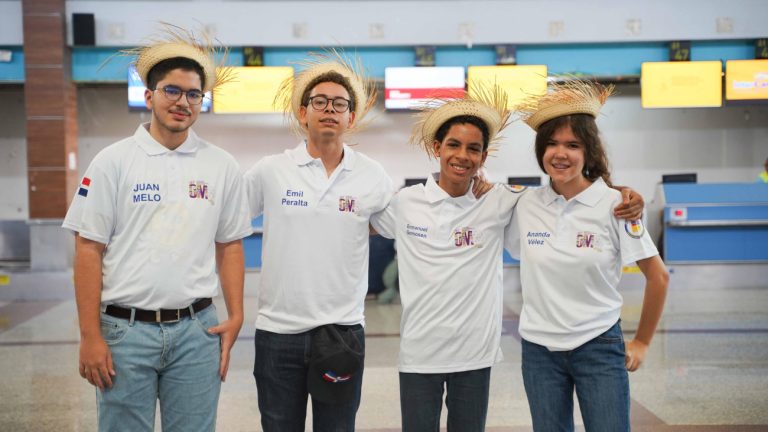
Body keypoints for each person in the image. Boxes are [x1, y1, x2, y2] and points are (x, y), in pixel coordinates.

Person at [370, 83, 646, 431]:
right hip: (418, 355)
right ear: (437, 148)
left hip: (475, 356)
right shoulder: (406, 202)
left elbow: (567, 193)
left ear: (484, 158)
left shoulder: (500, 200)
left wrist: (621, 193)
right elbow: (359, 223)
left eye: (474, 148)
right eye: (453, 145)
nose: (462, 155)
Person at [62, 25, 252, 432]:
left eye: (193, 94)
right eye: (172, 90)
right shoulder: (113, 162)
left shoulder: (221, 166)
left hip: (197, 331)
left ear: (202, 101)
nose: (182, 102)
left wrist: (236, 315)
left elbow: (230, 245)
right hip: (124, 334)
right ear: (149, 95)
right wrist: (90, 336)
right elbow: (87, 250)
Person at [507, 80, 669, 431]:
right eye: (551, 143)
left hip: (598, 345)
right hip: (539, 351)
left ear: (588, 151)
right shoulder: (525, 203)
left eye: (572, 144)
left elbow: (659, 276)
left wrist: (641, 342)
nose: (560, 153)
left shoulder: (615, 205)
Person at [244, 52, 392, 431]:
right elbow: (226, 221)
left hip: (341, 331)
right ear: (302, 112)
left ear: (351, 118)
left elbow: (402, 224)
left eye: (339, 104)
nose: (329, 109)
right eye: (320, 102)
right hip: (279, 333)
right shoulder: (271, 171)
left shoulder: (373, 176)